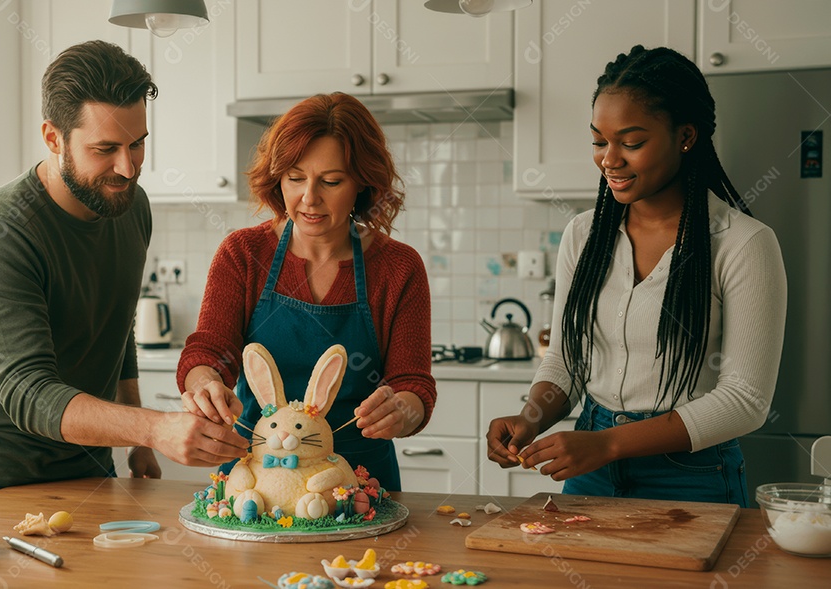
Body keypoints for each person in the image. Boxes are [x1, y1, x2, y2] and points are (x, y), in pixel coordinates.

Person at [0, 40, 247, 503]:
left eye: (138, 144)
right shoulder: (0, 234)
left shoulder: (129, 204)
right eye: (105, 149)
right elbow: (30, 394)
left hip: (90, 462)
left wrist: (139, 437)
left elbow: (117, 324)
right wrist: (156, 429)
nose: (128, 167)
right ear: (53, 138)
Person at [486, 46, 788, 507]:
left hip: (692, 472)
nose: (609, 159)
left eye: (631, 142)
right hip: (591, 464)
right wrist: (531, 417)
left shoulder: (743, 244)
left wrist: (609, 444)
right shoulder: (583, 234)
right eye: (598, 141)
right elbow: (566, 361)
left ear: (685, 136)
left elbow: (745, 400)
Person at [176, 93, 436, 491]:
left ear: (363, 183)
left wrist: (405, 409)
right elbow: (208, 353)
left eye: (331, 181)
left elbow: (412, 381)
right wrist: (204, 385)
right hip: (257, 484)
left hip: (360, 483)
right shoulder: (243, 254)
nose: (309, 198)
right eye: (295, 178)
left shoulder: (398, 267)